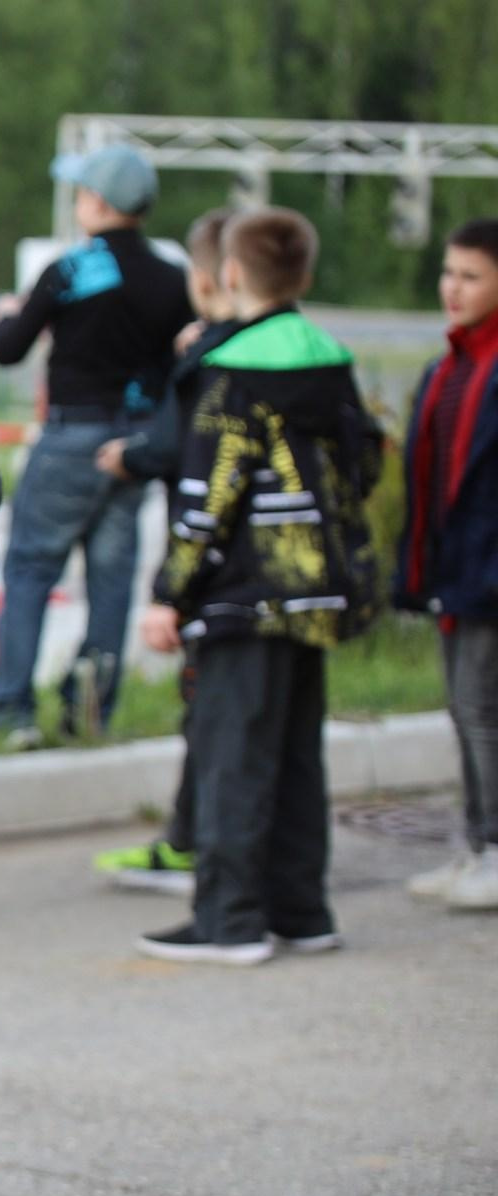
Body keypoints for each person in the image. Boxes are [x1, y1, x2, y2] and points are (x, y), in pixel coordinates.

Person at [135, 208, 384, 964]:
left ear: (231, 274)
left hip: (243, 593)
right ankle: (303, 910)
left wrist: (169, 592)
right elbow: (366, 464)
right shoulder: (330, 358)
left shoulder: (233, 370)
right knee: (296, 752)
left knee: (230, 753)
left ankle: (231, 919)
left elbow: (210, 493)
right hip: (318, 591)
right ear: (303, 277)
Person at [0, 145, 195, 746]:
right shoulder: (172, 278)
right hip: (133, 446)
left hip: (69, 438)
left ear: (97, 202)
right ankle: (91, 713)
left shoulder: (71, 270)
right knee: (111, 584)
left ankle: (12, 711)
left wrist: (10, 312)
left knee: (28, 570)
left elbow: (8, 348)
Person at [91, 208, 244, 895]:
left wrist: (167, 593)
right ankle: (211, 843)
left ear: (214, 276)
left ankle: (200, 848)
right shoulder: (262, 348)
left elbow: (192, 461)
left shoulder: (216, 359)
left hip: (214, 572)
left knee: (212, 709)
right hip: (257, 572)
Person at [396, 217, 498, 911]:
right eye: (449, 272)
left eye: (471, 276)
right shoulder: (449, 365)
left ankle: (494, 845)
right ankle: (475, 843)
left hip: (490, 571)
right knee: (464, 710)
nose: (452, 288)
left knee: (480, 708)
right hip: (454, 568)